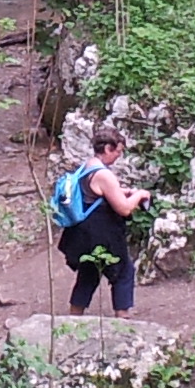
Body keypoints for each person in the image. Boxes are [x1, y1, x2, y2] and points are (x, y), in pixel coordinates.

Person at [51, 129, 149, 317]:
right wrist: (140, 195)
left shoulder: (88, 165)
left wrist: (123, 191)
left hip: (84, 233)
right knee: (123, 271)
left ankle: (74, 316)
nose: (118, 157)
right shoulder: (104, 174)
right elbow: (124, 209)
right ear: (107, 148)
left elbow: (98, 194)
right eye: (117, 152)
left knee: (89, 272)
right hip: (103, 234)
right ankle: (123, 318)